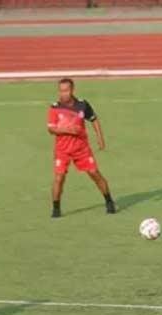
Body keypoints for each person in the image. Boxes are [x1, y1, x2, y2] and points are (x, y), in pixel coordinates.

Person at [47, 78, 116, 218]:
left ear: (72, 90)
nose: (63, 94)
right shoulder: (54, 108)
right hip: (62, 150)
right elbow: (51, 130)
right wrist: (68, 130)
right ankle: (56, 208)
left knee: (94, 173)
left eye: (66, 90)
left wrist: (100, 138)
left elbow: (94, 119)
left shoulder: (82, 105)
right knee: (59, 178)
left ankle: (109, 201)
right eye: (60, 90)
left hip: (81, 149)